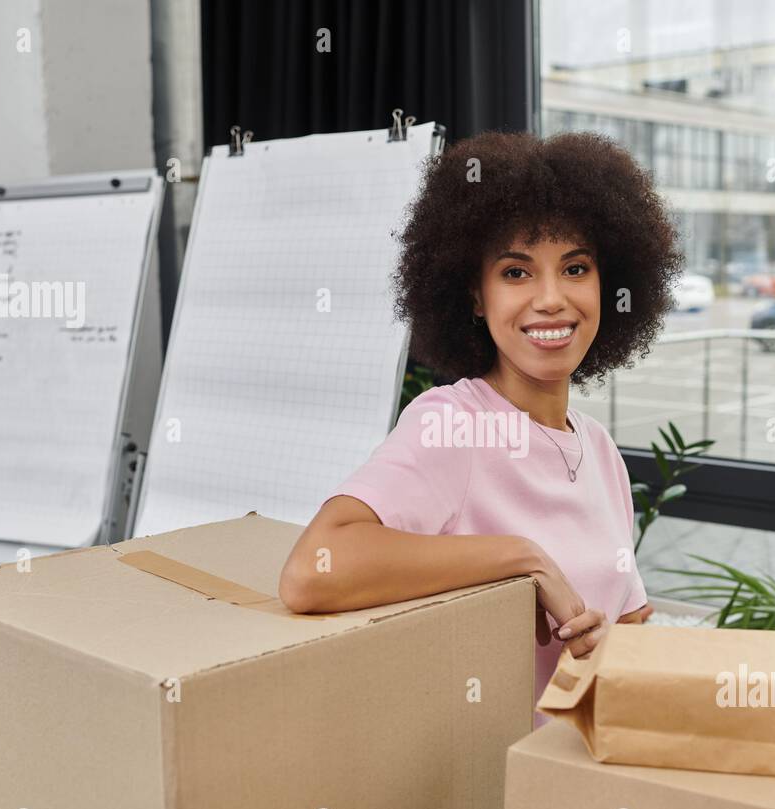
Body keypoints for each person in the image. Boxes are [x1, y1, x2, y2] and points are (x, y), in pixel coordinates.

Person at [279, 129, 684, 727]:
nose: (551, 299)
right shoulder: (453, 424)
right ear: (475, 295)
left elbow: (631, 631)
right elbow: (313, 571)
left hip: (587, 777)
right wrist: (523, 558)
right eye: (516, 273)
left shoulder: (598, 451)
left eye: (575, 268)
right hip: (488, 794)